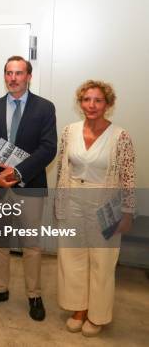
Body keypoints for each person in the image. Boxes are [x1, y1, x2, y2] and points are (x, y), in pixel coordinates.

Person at [0, 56, 57, 321]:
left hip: (30, 185)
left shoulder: (45, 108)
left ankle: (34, 295)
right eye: (9, 73)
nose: (13, 78)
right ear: (5, 76)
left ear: (28, 76)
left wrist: (19, 172)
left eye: (19, 73)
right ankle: (0, 289)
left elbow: (48, 148)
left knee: (31, 244)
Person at [55, 80, 135, 337]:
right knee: (72, 257)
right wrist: (59, 203)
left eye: (98, 100)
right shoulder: (69, 131)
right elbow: (61, 168)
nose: (92, 105)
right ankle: (78, 308)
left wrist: (127, 211)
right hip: (74, 200)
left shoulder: (120, 136)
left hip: (106, 204)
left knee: (102, 261)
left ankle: (97, 314)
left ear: (108, 104)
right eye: (87, 100)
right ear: (80, 103)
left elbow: (128, 178)